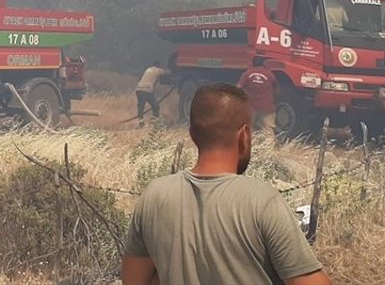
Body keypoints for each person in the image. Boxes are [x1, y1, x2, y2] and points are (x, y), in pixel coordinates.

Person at [122, 83, 331, 285]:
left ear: (193, 134)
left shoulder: (154, 196)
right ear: (244, 135)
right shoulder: (262, 200)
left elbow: (133, 280)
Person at [237, 65, 277, 138]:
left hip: (251, 107)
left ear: (252, 63)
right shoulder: (270, 74)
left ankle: (252, 146)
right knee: (268, 129)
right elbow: (275, 88)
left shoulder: (247, 74)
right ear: (264, 64)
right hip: (267, 106)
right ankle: (269, 147)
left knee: (250, 128)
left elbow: (238, 88)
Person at [135, 61, 168, 127]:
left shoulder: (148, 69)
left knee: (141, 106)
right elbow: (167, 72)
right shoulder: (157, 70)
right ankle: (156, 122)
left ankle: (141, 122)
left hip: (138, 89)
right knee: (156, 106)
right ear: (158, 65)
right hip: (146, 90)